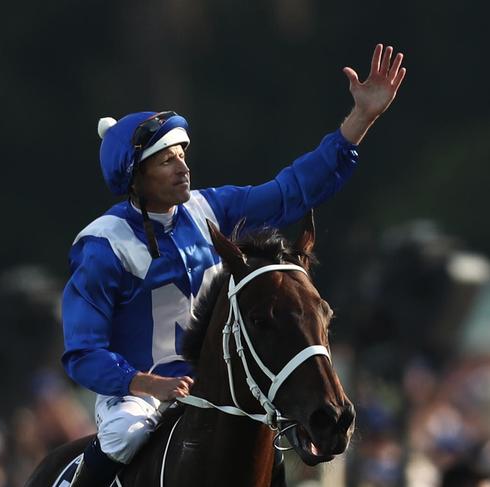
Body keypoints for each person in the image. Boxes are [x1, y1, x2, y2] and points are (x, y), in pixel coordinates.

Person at [62, 44, 406, 486]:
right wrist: (146, 384)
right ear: (134, 176)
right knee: (124, 437)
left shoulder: (211, 209)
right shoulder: (102, 245)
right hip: (136, 397)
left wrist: (359, 121)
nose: (183, 168)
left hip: (217, 384)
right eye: (167, 161)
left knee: (265, 448)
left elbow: (291, 191)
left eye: (183, 155)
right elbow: (82, 352)